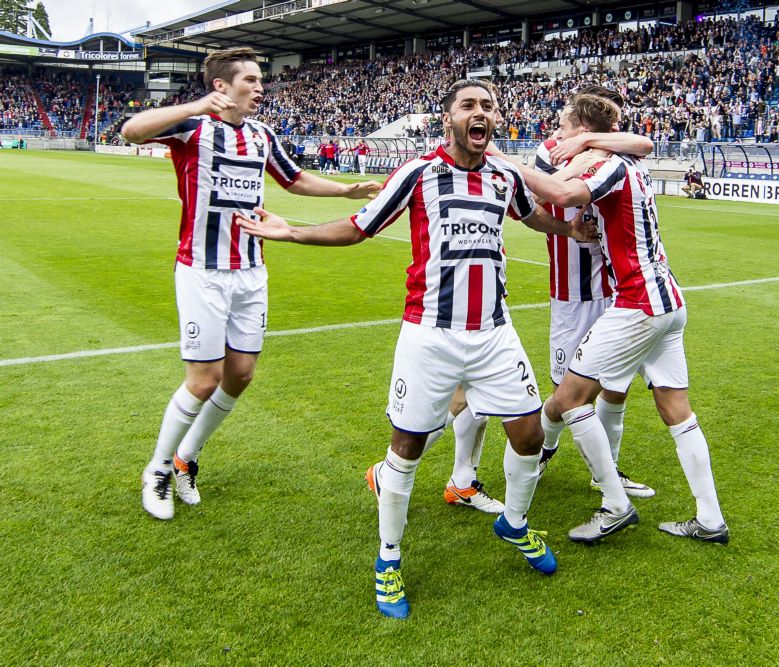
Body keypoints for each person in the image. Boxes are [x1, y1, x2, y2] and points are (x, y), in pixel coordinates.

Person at [237, 79, 596, 619]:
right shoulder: (419, 173)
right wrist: (292, 233)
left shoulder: (504, 175)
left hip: (495, 333)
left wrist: (572, 232)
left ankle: (515, 524)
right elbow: (359, 228)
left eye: (489, 107)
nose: (481, 114)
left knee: (528, 434)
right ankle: (388, 559)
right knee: (406, 447)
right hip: (429, 335)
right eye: (469, 106)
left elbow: (531, 214)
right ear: (448, 118)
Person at [121, 47, 381, 522]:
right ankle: (156, 468)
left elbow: (295, 180)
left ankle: (186, 459)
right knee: (203, 380)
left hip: (251, 271)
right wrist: (195, 105)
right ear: (222, 86)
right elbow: (130, 130)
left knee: (240, 375)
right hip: (202, 269)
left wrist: (346, 189)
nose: (261, 87)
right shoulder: (194, 127)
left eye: (261, 80)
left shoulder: (261, 134)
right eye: (251, 80)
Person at [516, 94, 729, 546]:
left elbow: (561, 192)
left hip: (636, 302)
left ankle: (613, 505)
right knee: (677, 410)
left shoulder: (611, 165)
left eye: (565, 129)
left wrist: (496, 160)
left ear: (585, 133)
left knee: (570, 398)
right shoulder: (629, 161)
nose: (559, 136)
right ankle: (710, 519)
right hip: (669, 301)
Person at [531, 87, 656, 497]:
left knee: (616, 385)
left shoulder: (606, 149)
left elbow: (643, 143)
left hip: (615, 291)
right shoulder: (550, 149)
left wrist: (590, 143)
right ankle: (542, 451)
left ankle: (609, 470)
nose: (560, 123)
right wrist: (568, 226)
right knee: (565, 390)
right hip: (570, 291)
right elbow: (535, 196)